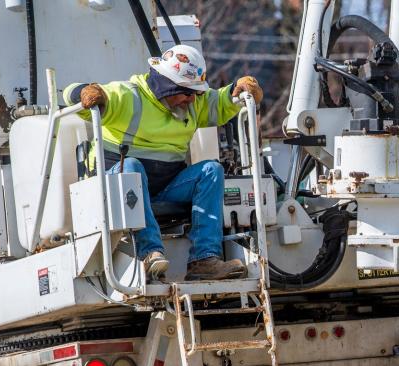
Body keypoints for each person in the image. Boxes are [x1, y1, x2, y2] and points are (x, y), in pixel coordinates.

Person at [63, 45, 264, 281]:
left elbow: (217, 103)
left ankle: (204, 260)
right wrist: (84, 92)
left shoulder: (191, 101)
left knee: (211, 170)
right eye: (187, 92)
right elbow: (70, 95)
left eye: (195, 93)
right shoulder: (129, 96)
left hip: (164, 187)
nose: (192, 99)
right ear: (167, 86)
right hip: (116, 188)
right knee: (132, 167)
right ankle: (150, 254)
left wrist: (236, 91)